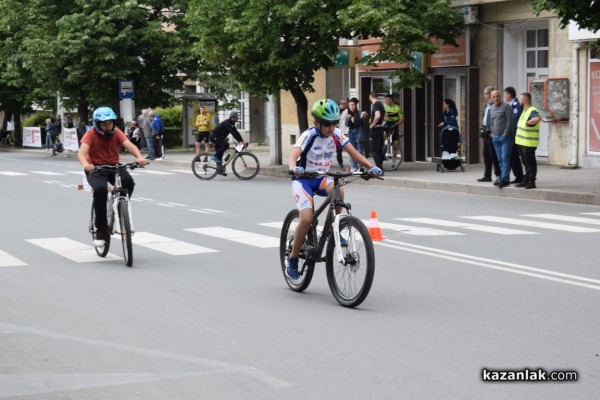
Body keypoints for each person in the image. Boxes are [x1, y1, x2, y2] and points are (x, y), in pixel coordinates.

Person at [285, 99, 382, 280]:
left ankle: (333, 230)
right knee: (306, 218)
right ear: (317, 122)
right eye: (327, 124)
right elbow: (294, 155)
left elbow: (354, 153)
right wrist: (294, 167)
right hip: (303, 179)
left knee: (339, 192)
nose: (331, 128)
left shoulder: (336, 134)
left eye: (334, 123)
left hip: (322, 177)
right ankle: (293, 257)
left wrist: (371, 167)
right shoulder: (309, 135)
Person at [78, 107, 148, 246]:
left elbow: (130, 146)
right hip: (96, 168)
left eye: (109, 123)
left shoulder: (116, 132)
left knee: (128, 182)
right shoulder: (90, 134)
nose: (107, 126)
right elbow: (81, 152)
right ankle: (101, 230)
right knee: (100, 190)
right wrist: (86, 164)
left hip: (114, 166)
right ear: (97, 124)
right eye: (103, 124)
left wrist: (140, 157)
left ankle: (122, 207)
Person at [515, 92, 541, 189]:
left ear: (525, 100)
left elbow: (537, 118)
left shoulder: (532, 110)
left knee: (530, 163)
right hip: (522, 142)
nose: (519, 101)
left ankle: (531, 181)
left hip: (529, 142)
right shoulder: (525, 110)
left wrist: (528, 123)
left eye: (520, 99)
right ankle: (526, 180)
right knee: (526, 162)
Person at [489, 89, 514, 188]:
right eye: (494, 97)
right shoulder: (491, 108)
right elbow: (491, 122)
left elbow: (510, 121)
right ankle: (503, 178)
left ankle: (504, 179)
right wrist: (494, 134)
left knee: (505, 159)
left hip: (505, 137)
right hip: (496, 138)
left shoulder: (506, 106)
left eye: (497, 96)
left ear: (500, 96)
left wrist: (504, 134)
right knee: (500, 159)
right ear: (491, 98)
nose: (496, 98)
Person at [209, 111, 246, 176]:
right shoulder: (227, 123)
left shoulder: (232, 123)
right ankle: (214, 156)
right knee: (226, 145)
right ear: (232, 117)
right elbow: (233, 133)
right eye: (237, 117)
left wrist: (241, 141)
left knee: (220, 155)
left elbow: (236, 132)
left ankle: (219, 169)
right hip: (214, 137)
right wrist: (240, 141)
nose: (237, 119)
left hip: (219, 138)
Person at [477, 86, 500, 183]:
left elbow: (496, 120)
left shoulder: (494, 105)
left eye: (485, 94)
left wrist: (493, 131)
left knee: (494, 155)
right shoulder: (487, 105)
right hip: (485, 132)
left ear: (490, 94)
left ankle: (498, 175)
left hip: (491, 133)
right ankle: (487, 175)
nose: (484, 96)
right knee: (486, 155)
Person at [504, 86, 525, 184]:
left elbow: (515, 120)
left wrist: (511, 131)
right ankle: (518, 176)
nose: (504, 96)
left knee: (514, 156)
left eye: (505, 94)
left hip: (514, 135)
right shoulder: (509, 105)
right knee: (512, 156)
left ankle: (520, 176)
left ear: (509, 95)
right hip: (510, 134)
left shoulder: (515, 105)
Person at [345, 97, 367, 171]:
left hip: (359, 132)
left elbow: (363, 123)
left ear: (356, 105)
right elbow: (347, 125)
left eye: (353, 105)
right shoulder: (348, 114)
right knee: (351, 150)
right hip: (351, 133)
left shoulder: (360, 113)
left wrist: (362, 117)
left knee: (359, 150)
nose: (351, 106)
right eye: (350, 105)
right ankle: (353, 166)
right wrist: (348, 120)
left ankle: (361, 166)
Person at [383, 94, 404, 163]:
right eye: (385, 100)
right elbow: (384, 118)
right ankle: (383, 152)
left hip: (395, 124)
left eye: (387, 100)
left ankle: (394, 160)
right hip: (387, 124)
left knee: (395, 144)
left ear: (391, 100)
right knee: (382, 137)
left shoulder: (398, 108)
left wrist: (396, 124)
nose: (385, 101)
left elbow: (402, 119)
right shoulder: (385, 108)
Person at [368, 92, 386, 172]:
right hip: (380, 128)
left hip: (376, 129)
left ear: (370, 97)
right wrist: (382, 122)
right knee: (379, 148)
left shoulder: (375, 104)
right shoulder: (381, 104)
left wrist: (372, 124)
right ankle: (380, 167)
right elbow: (385, 114)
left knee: (374, 149)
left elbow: (377, 115)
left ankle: (379, 169)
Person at [335, 97, 349, 170]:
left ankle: (342, 164)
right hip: (338, 132)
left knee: (344, 147)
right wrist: (336, 125)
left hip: (344, 132)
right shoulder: (337, 110)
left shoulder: (347, 110)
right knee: (339, 148)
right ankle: (340, 164)